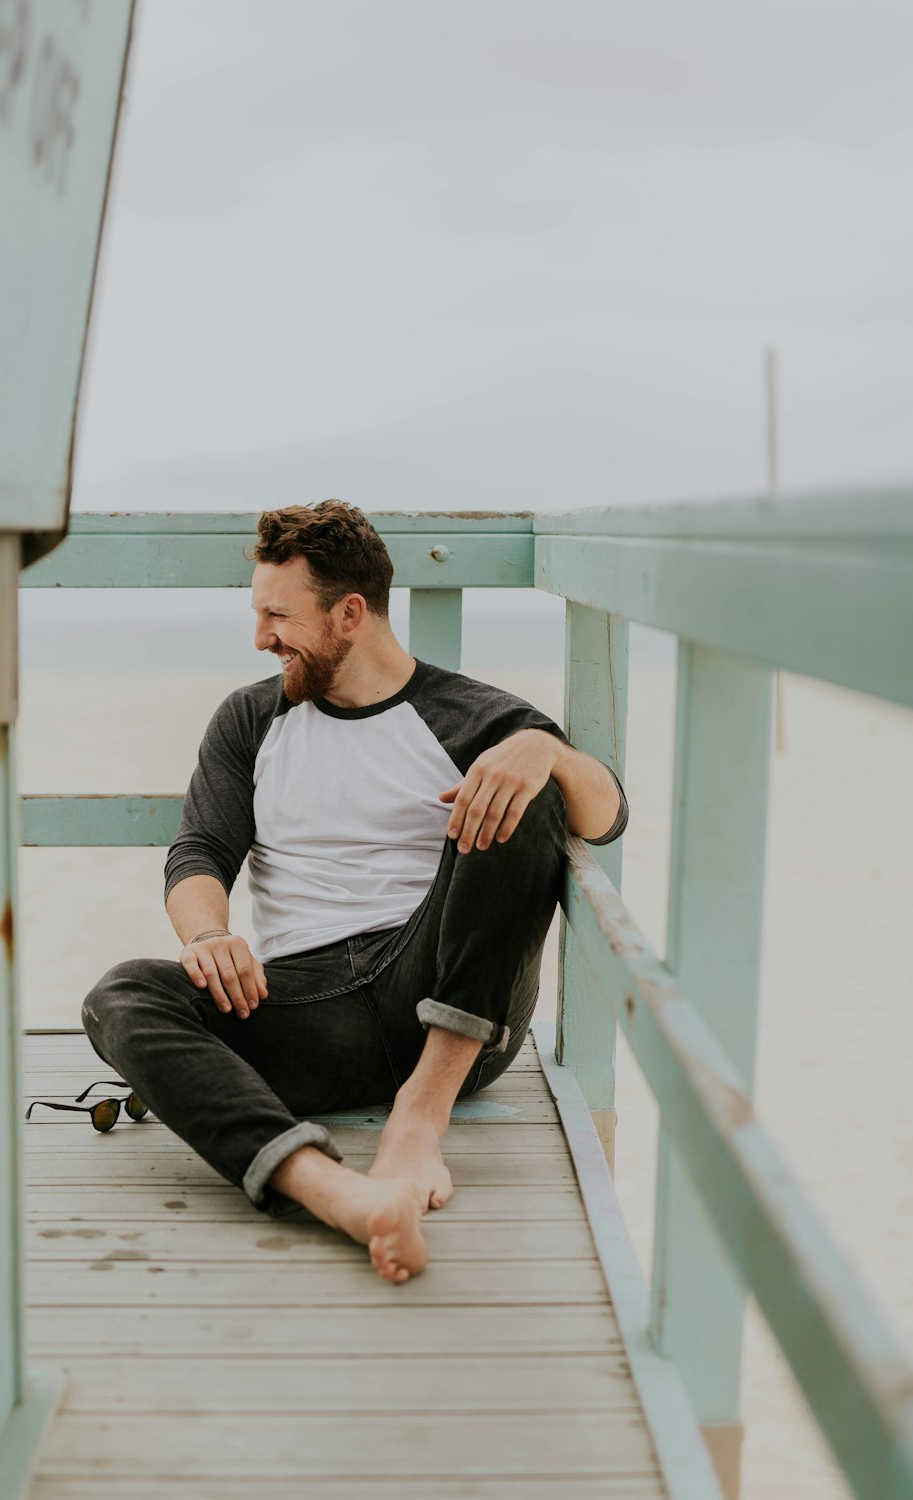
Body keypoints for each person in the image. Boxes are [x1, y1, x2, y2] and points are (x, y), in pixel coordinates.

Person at [81, 501, 627, 1283]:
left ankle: (419, 1116)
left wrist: (542, 748)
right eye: (257, 613)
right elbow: (199, 851)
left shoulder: (474, 716)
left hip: (445, 990)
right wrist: (208, 937)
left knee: (529, 786)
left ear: (350, 613)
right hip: (306, 1006)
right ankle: (335, 1192)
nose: (262, 637)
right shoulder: (249, 719)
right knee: (122, 995)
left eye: (278, 615)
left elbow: (605, 818)